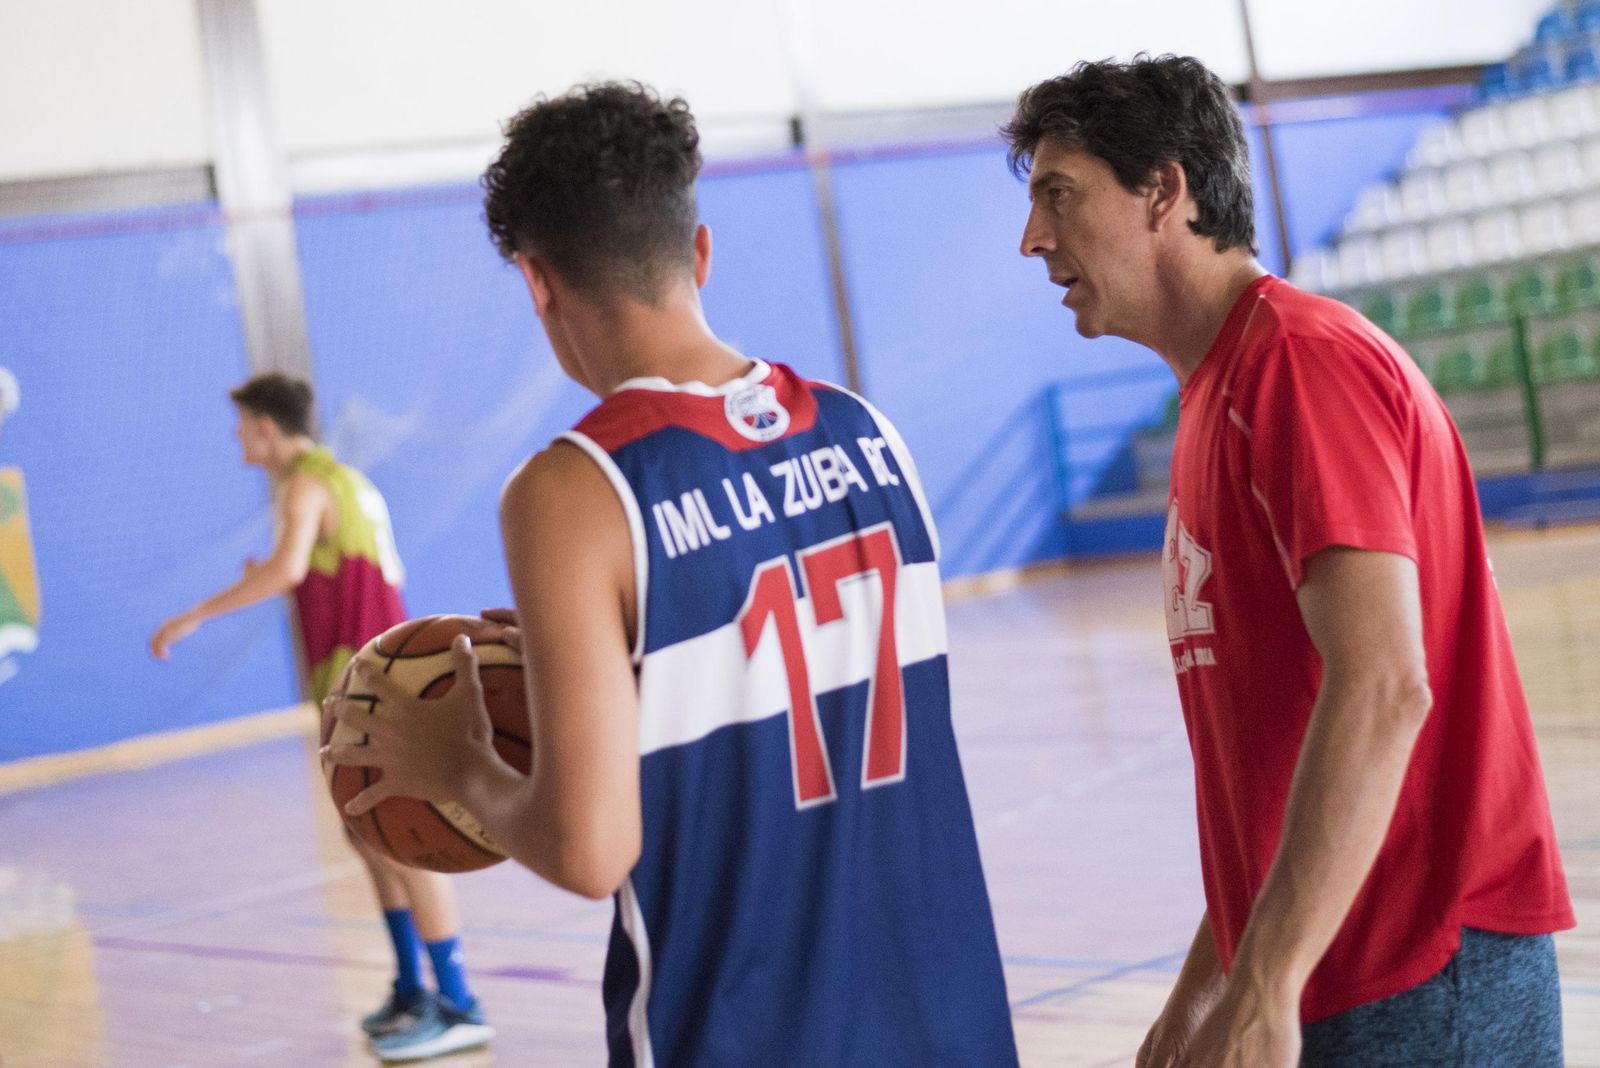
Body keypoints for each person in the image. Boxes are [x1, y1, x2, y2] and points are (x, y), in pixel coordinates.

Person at [325, 82, 1019, 1067]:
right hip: (949, 1016)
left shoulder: (575, 489)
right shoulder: (868, 431)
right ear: (698, 250)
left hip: (745, 1033)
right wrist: (610, 673)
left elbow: (588, 848)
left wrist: (457, 768)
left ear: (535, 280)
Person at [1003, 54, 1576, 1067]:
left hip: (1419, 968)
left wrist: (1262, 982)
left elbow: (1384, 684)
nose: (1032, 238)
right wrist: (1205, 987)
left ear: (1163, 191)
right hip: (1331, 962)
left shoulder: (1299, 366)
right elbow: (1270, 772)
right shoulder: (1217, 392)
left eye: (1059, 194)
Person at [150, 373, 492, 1063]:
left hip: (370, 687)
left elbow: (286, 570)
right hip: (365, 682)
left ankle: (458, 1001)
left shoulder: (305, 484)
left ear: (268, 428)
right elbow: (313, 568)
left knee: (402, 841)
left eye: (242, 425)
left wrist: (194, 614)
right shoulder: (342, 480)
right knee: (371, 837)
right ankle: (411, 987)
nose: (238, 438)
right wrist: (281, 568)